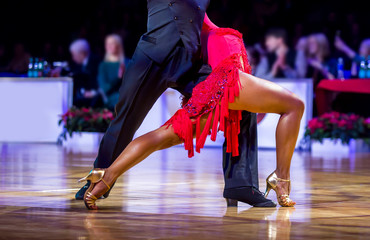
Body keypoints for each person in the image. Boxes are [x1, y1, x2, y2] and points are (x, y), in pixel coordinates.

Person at [78, 14, 304, 210]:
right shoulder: (201, 24)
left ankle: (106, 176)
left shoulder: (196, 27)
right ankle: (281, 179)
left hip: (209, 93)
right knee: (295, 106)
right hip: (226, 82)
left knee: (158, 138)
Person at [69, 39, 102, 108]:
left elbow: (101, 83)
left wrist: (93, 93)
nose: (73, 58)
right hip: (84, 97)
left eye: (74, 55)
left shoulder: (97, 63)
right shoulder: (78, 65)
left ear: (82, 53)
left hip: (97, 99)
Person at [97, 34, 127, 111]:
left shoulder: (128, 63)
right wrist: (118, 78)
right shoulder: (103, 66)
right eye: (107, 44)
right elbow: (105, 88)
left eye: (112, 43)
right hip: (112, 100)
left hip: (128, 96)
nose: (109, 46)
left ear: (118, 45)